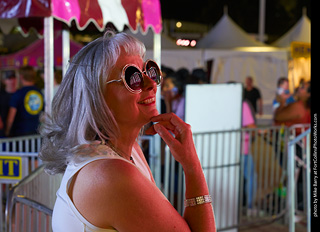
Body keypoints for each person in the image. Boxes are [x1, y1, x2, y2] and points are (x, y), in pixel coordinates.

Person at [39, 31, 215, 232]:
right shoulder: (112, 174)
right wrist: (191, 164)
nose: (151, 84)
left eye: (148, 71)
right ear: (97, 99)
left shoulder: (128, 152)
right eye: (133, 78)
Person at [5, 66, 44, 137]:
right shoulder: (39, 92)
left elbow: (11, 118)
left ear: (21, 76)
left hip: (20, 134)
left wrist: (7, 132)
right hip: (36, 133)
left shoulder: (18, 94)